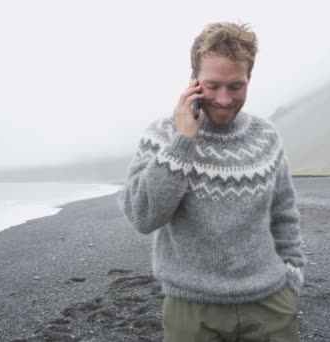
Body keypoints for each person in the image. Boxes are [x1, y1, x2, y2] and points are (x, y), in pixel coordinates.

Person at [118, 22, 306, 342]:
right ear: (193, 81)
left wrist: (293, 275)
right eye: (212, 85)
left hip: (270, 304)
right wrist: (183, 142)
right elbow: (143, 216)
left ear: (249, 79)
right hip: (191, 311)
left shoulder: (265, 136)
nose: (223, 99)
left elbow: (284, 212)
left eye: (236, 86)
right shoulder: (163, 134)